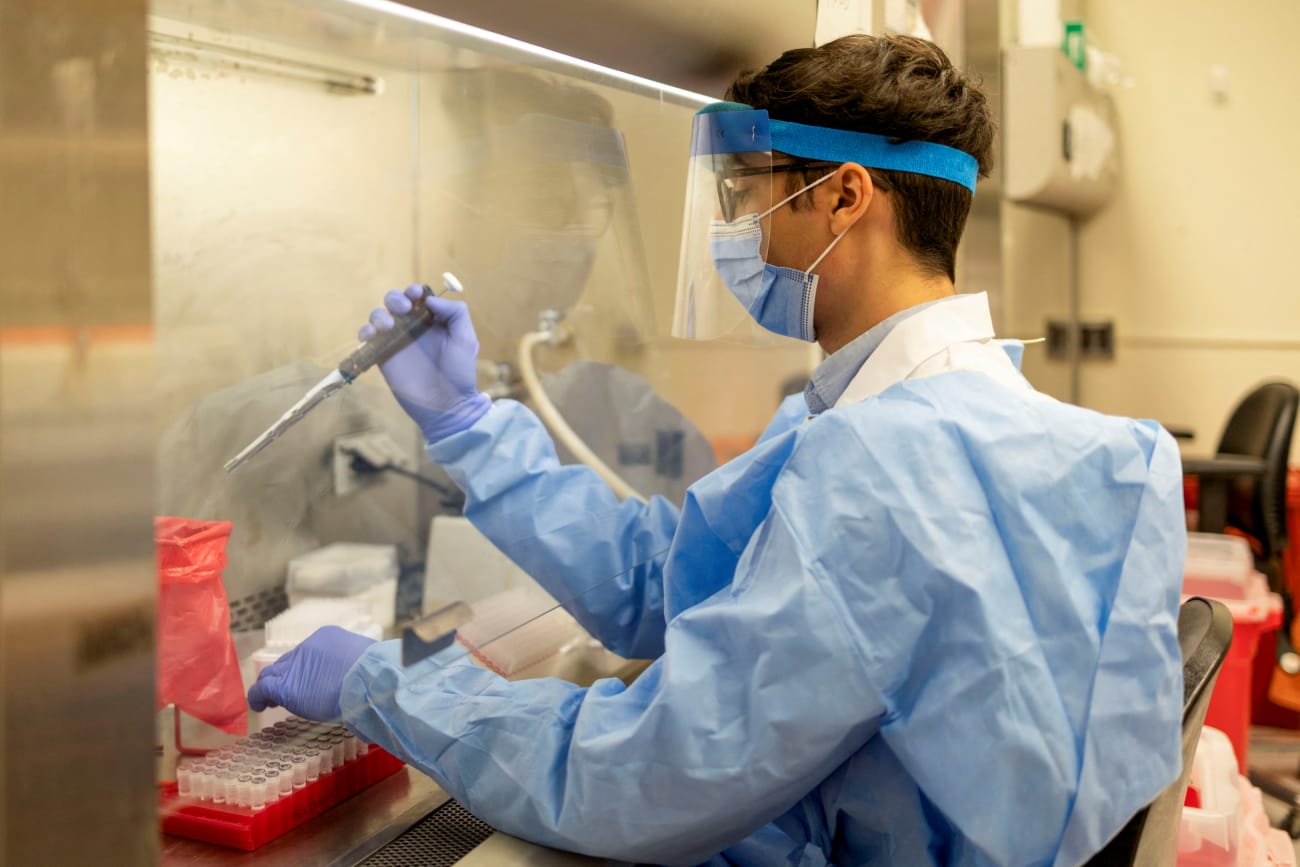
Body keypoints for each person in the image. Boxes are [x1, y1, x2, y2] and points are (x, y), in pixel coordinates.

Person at [248, 34, 1186, 866]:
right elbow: (669, 583)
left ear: (844, 197)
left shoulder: (884, 470)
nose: (733, 231)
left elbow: (647, 776)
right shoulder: (1049, 440)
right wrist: (472, 428)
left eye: (749, 194)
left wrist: (388, 680)